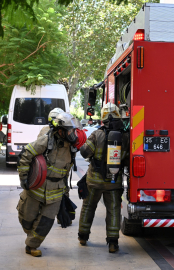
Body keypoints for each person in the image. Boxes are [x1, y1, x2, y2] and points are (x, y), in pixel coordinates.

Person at [17, 112, 85, 257]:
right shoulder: (46, 141)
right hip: (37, 186)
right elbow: (26, 154)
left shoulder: (72, 147)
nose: (73, 134)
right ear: (60, 131)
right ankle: (30, 234)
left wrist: (65, 193)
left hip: (56, 191)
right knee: (27, 219)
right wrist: (24, 178)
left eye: (73, 131)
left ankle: (31, 245)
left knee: (46, 222)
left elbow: (67, 171)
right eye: (69, 131)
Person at [77, 102, 129, 253]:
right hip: (114, 182)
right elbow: (126, 160)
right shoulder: (124, 137)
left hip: (94, 181)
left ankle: (83, 237)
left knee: (88, 207)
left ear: (103, 117)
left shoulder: (96, 134)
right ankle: (113, 243)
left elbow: (85, 153)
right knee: (113, 210)